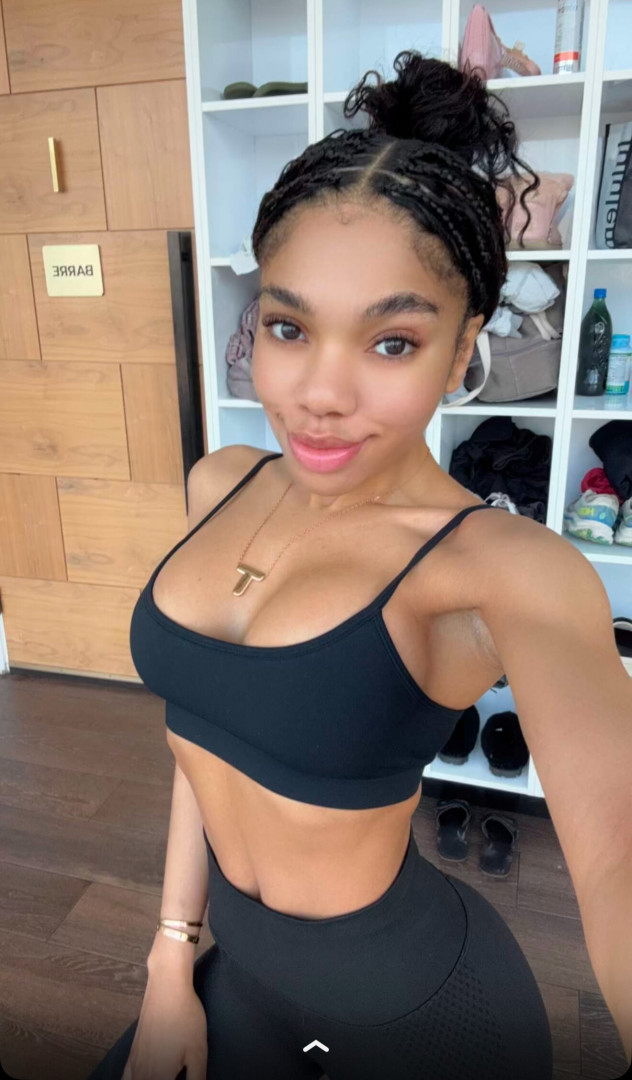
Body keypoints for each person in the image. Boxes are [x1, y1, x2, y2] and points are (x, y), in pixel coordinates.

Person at [87, 51, 630, 1080]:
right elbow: (201, 737)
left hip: (425, 1015)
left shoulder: (499, 568)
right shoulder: (219, 484)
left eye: (391, 343)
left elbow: (616, 848)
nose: (320, 395)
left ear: (462, 347)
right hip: (235, 970)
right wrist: (169, 956)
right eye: (289, 327)